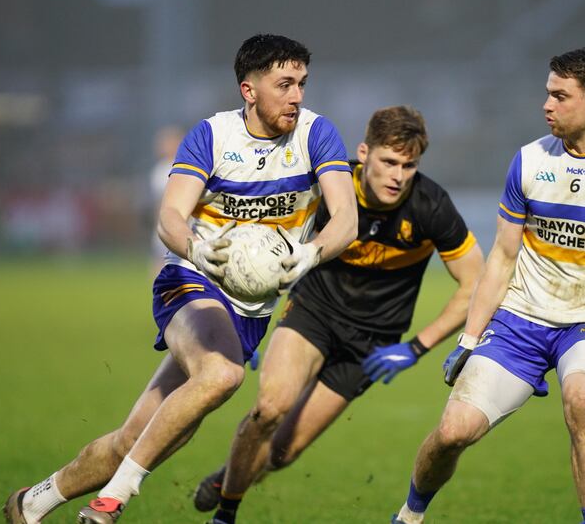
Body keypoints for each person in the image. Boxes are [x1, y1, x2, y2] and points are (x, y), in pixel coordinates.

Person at [3, 33, 357, 524]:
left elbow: (347, 218)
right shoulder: (212, 136)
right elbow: (169, 214)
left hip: (249, 312)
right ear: (248, 90)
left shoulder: (317, 135)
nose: (297, 96)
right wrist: (195, 247)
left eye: (302, 83)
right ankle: (115, 499)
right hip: (191, 279)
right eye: (284, 84)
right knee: (222, 375)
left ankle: (31, 503)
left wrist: (311, 254)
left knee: (136, 437)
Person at [391, 48, 585, 524]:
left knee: (582, 399)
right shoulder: (530, 161)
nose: (546, 104)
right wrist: (469, 338)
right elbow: (503, 257)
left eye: (559, 95)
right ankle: (409, 515)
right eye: (547, 93)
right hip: (519, 321)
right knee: (452, 432)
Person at [192, 105, 484, 524]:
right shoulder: (330, 187)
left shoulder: (430, 205)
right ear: (364, 152)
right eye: (388, 161)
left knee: (283, 453)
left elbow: (475, 282)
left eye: (409, 165)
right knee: (270, 408)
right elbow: (254, 245)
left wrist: (416, 347)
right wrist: (244, 321)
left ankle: (230, 477)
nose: (398, 175)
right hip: (313, 313)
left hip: (369, 344)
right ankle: (226, 515)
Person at [147, 125, 185, 274]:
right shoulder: (160, 170)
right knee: (159, 263)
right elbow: (158, 203)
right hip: (165, 223)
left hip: (183, 224)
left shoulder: (185, 166)